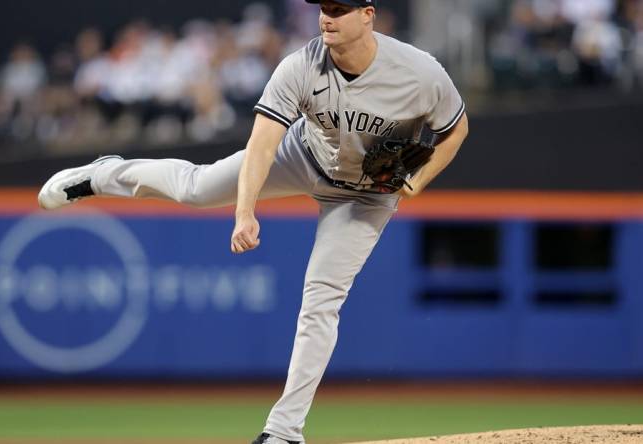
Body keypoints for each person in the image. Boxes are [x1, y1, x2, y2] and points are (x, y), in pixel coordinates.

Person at [38, 0, 469, 442]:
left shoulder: (419, 72)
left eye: (340, 9)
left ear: (367, 15)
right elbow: (263, 144)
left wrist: (415, 183)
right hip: (303, 155)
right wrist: (245, 212)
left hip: (367, 197)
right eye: (324, 7)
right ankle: (102, 174)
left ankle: (283, 432)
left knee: (322, 300)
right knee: (196, 188)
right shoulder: (299, 66)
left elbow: (456, 128)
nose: (327, 17)